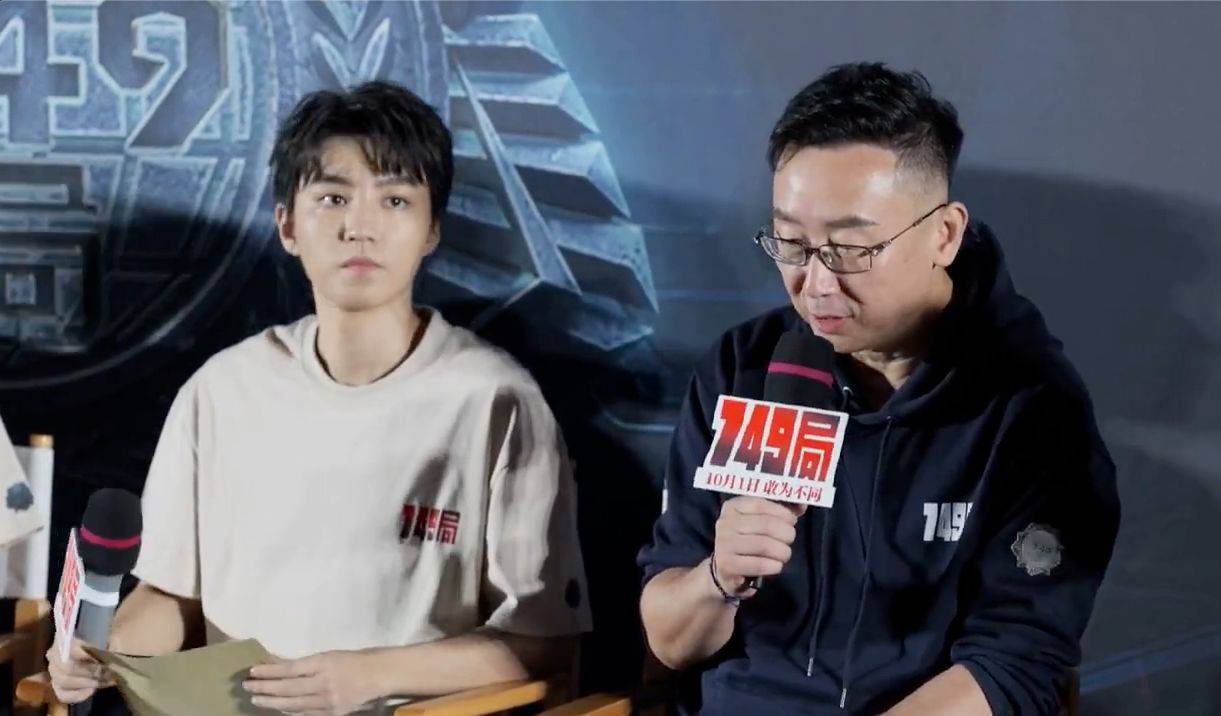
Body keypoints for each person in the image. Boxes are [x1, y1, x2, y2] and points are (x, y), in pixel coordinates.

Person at [48, 81, 590, 715]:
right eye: (333, 198)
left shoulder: (496, 400)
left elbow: (542, 642)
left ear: (432, 230)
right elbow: (173, 598)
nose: (360, 228)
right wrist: (104, 652)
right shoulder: (222, 390)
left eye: (395, 200)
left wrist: (366, 677)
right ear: (287, 224)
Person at [638, 63, 1120, 715]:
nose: (814, 284)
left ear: (944, 235)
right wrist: (721, 577)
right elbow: (670, 643)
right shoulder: (744, 368)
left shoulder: (1029, 408)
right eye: (790, 243)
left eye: (850, 250)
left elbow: (1011, 667)